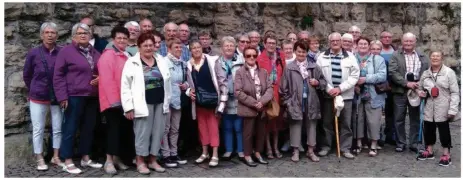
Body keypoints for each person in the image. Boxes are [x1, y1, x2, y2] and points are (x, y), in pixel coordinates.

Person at [53, 23, 102, 174]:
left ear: (90, 35)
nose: (83, 35)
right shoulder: (66, 52)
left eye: (85, 33)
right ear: (74, 36)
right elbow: (58, 76)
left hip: (92, 96)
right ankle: (67, 159)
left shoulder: (95, 52)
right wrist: (62, 96)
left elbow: (102, 71)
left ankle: (85, 157)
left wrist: (101, 78)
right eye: (79, 33)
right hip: (74, 96)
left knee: (88, 128)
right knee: (70, 128)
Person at [121, 32, 172, 174]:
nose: (149, 48)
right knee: (142, 134)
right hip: (142, 104)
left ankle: (153, 160)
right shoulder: (132, 62)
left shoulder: (161, 60)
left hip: (160, 102)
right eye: (145, 46)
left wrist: (168, 101)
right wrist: (128, 107)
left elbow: (167, 82)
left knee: (158, 133)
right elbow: (125, 86)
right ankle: (140, 161)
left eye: (151, 45)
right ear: (139, 47)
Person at [23, 22, 64, 171]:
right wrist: (34, 88)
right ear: (42, 35)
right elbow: (27, 75)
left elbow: (64, 73)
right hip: (38, 96)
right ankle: (39, 157)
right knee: (38, 128)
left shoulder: (62, 52)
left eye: (53, 32)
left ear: (57, 35)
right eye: (47, 32)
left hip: (57, 97)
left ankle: (56, 156)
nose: (50, 35)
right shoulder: (33, 53)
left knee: (58, 128)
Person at [279, 40, 327, 162]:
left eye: (303, 52)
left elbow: (323, 82)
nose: (301, 54)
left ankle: (311, 150)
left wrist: (317, 83)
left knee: (312, 126)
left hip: (311, 101)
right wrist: (288, 102)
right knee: (295, 126)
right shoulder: (289, 68)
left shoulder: (313, 66)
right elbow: (283, 88)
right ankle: (295, 151)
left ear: (307, 52)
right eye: (299, 51)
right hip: (295, 102)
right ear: (295, 52)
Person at [316, 32, 359, 159]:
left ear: (341, 42)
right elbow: (319, 75)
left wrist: (340, 88)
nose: (335, 43)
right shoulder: (321, 57)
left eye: (337, 40)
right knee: (327, 122)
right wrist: (330, 89)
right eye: (332, 41)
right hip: (328, 95)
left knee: (346, 123)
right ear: (329, 42)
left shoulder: (350, 57)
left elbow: (355, 75)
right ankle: (326, 146)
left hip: (346, 95)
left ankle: (345, 148)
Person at [185, 41, 228, 167]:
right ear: (190, 50)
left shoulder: (213, 61)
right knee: (202, 127)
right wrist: (188, 91)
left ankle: (214, 154)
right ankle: (204, 152)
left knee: (213, 128)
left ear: (202, 48)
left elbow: (222, 81)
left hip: (213, 101)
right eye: (193, 48)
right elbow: (188, 83)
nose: (196, 49)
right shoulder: (188, 64)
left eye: (198, 47)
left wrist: (222, 103)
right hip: (199, 101)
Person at [97, 26, 133, 174]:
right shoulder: (108, 56)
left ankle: (117, 158)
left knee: (121, 131)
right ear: (113, 39)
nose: (122, 40)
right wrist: (115, 101)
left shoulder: (126, 55)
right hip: (112, 102)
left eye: (125, 38)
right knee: (112, 131)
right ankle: (109, 161)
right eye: (119, 38)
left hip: (124, 101)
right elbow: (107, 80)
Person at [388, 32, 430, 153]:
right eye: (406, 41)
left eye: (410, 41)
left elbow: (427, 72)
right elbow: (393, 72)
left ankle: (415, 143)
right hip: (400, 90)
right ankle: (400, 143)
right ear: (402, 42)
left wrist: (420, 86)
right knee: (399, 118)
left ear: (415, 42)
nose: (408, 43)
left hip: (417, 89)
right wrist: (407, 83)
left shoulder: (422, 55)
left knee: (415, 118)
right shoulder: (395, 55)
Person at [417, 51, 459, 167]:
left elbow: (455, 92)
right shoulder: (426, 73)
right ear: (430, 58)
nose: (435, 58)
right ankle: (429, 151)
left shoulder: (448, 73)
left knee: (443, 129)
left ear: (442, 58)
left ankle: (446, 154)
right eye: (433, 56)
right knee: (428, 128)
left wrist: (453, 109)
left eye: (437, 56)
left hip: (444, 105)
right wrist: (420, 92)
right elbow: (419, 87)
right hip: (429, 105)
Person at [234, 47, 274, 167]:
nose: (251, 58)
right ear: (244, 57)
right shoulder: (240, 72)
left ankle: (257, 153)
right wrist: (254, 103)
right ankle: (247, 155)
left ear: (256, 57)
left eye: (253, 55)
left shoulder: (263, 72)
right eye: (248, 55)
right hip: (248, 108)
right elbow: (238, 91)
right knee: (248, 133)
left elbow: (269, 89)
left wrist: (261, 102)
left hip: (261, 108)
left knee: (261, 132)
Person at [352, 37, 387, 157]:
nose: (362, 46)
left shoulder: (378, 59)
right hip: (356, 93)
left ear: (369, 46)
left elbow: (382, 76)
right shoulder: (352, 58)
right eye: (360, 43)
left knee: (373, 121)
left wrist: (366, 79)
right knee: (358, 119)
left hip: (373, 94)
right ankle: (359, 142)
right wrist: (355, 83)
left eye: (365, 44)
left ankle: (373, 144)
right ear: (356, 45)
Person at [161, 38, 189, 168]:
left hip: (177, 100)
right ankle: (165, 155)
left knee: (175, 129)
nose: (179, 50)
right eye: (176, 47)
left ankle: (174, 152)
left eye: (180, 48)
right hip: (167, 101)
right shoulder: (163, 62)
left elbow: (188, 81)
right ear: (169, 49)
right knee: (165, 129)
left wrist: (185, 85)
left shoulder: (183, 64)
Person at [256, 34, 285, 160]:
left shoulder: (280, 57)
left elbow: (284, 74)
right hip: (266, 94)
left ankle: (276, 147)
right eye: (269, 43)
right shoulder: (260, 59)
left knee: (276, 122)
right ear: (264, 43)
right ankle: (268, 148)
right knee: (267, 122)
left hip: (278, 93)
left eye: (274, 43)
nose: (271, 45)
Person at [217, 36, 245, 161]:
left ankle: (240, 150)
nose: (229, 48)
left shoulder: (241, 61)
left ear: (235, 47)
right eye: (226, 45)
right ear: (222, 48)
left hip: (239, 99)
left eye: (231, 45)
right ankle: (228, 150)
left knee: (239, 127)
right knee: (227, 126)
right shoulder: (217, 63)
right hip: (224, 99)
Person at [379, 31, 397, 146]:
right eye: (384, 37)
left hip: (393, 86)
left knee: (391, 112)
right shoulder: (376, 49)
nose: (387, 39)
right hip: (379, 86)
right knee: (379, 112)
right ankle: (378, 136)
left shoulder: (395, 51)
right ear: (381, 39)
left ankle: (390, 135)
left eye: (389, 37)